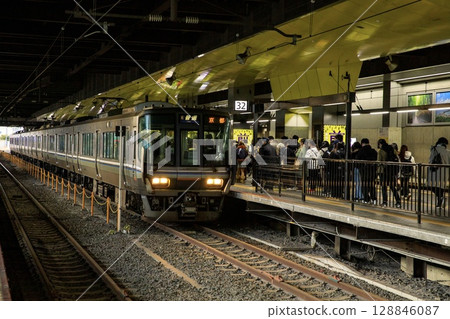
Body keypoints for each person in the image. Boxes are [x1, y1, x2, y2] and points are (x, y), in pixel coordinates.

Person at [377, 139, 401, 208]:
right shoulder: (392, 149)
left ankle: (385, 202)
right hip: (391, 171)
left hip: (383, 171)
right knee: (392, 186)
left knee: (384, 187)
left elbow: (379, 162)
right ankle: (398, 201)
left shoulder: (381, 151)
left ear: (380, 144)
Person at [428, 137, 450, 209]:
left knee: (432, 186)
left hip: (435, 171)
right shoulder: (448, 152)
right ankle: (440, 201)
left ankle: (440, 199)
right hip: (444, 172)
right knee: (441, 187)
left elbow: (430, 161)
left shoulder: (434, 150)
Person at [356, 138, 378, 204]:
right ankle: (373, 198)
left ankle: (366, 199)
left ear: (362, 143)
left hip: (364, 171)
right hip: (372, 171)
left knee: (364, 185)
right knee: (372, 185)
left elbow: (357, 161)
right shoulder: (373, 151)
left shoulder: (361, 151)